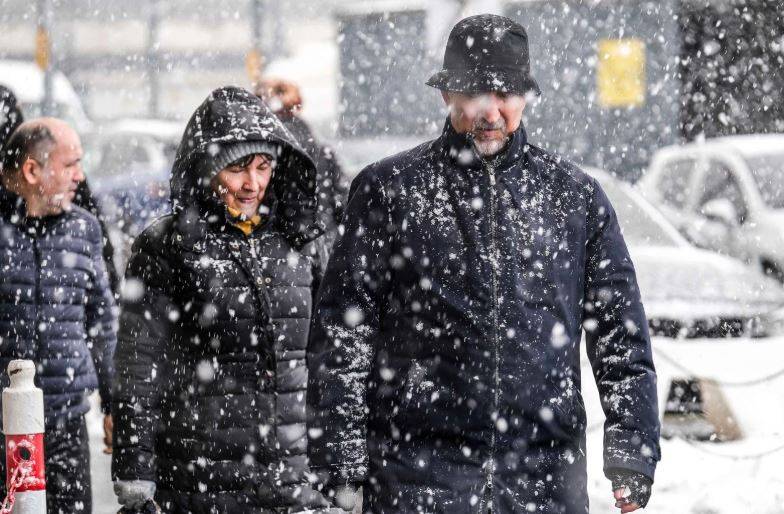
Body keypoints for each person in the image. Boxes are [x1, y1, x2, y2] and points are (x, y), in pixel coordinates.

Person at [308, 14, 660, 514]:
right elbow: (345, 334)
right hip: (418, 476)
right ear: (447, 96)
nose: (491, 112)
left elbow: (620, 333)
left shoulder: (574, 197)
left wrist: (631, 450)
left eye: (507, 95)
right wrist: (341, 460)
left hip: (546, 477)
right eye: (476, 94)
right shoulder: (389, 192)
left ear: (526, 97)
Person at [111, 86, 338, 513]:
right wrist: (135, 477)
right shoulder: (167, 247)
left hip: (291, 483)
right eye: (237, 169)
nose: (253, 184)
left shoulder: (301, 244)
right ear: (208, 168)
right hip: (200, 482)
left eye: (263, 166)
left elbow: (328, 357)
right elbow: (139, 368)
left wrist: (337, 462)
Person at [0, 117, 116, 513]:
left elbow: (102, 321)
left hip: (66, 422)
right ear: (32, 170)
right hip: (4, 427)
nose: (79, 177)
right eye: (70, 165)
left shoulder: (83, 229)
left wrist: (115, 405)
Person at [256, 78, 349, 255]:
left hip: (273, 254)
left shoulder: (255, 153)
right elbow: (343, 204)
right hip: (322, 247)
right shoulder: (323, 152)